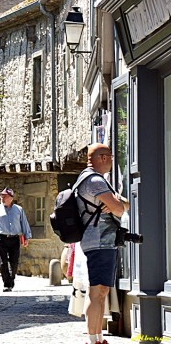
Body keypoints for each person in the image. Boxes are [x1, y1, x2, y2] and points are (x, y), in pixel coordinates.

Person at [76, 143, 128, 344]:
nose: (113, 161)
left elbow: (120, 205)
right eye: (111, 157)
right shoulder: (95, 181)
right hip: (99, 240)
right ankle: (92, 339)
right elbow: (120, 208)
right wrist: (116, 204)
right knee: (97, 291)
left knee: (101, 291)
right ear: (104, 158)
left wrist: (117, 203)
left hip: (99, 240)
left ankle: (97, 337)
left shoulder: (88, 179)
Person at [0, 187, 32, 292]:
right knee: (2, 262)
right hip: (0, 238)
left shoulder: (19, 209)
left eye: (5, 196)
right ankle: (7, 284)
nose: (2, 198)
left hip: (14, 238)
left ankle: (11, 280)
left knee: (14, 262)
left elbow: (24, 223)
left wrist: (27, 237)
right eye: (1, 196)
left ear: (11, 198)